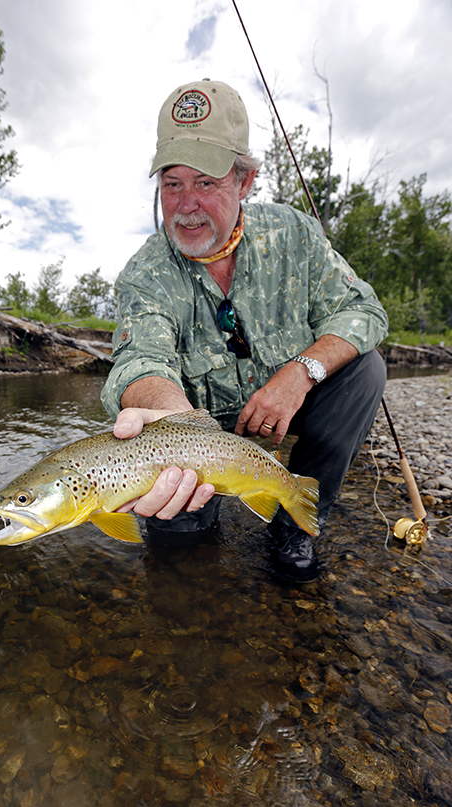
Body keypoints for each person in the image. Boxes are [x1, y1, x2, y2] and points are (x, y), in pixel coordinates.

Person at [100, 79, 388, 581]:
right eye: (173, 184)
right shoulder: (144, 274)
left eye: (206, 182)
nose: (186, 205)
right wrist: (174, 425)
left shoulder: (294, 234)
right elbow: (139, 360)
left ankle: (298, 519)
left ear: (245, 181)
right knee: (179, 558)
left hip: (288, 410)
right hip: (196, 432)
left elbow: (363, 310)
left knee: (366, 370)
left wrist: (298, 374)